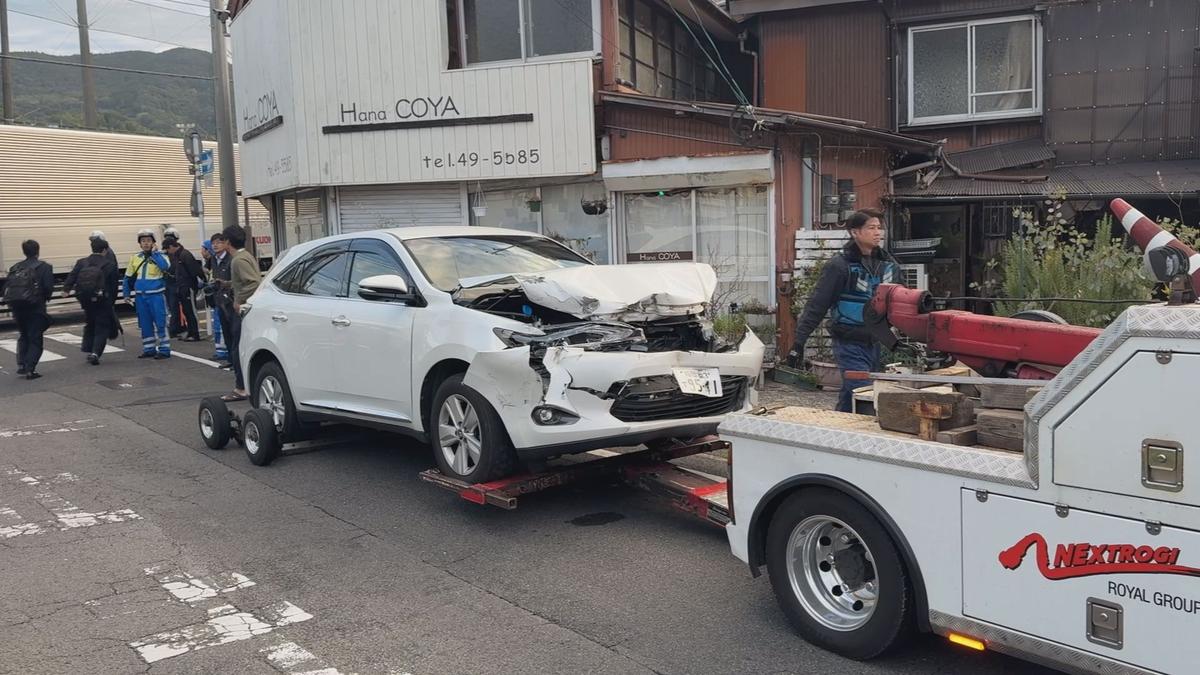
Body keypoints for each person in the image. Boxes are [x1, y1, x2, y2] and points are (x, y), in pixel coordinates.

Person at [789, 209, 900, 412]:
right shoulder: (839, 266)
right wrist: (799, 342)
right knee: (864, 395)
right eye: (871, 228)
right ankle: (863, 441)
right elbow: (817, 305)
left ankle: (836, 430)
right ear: (855, 232)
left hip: (874, 343)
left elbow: (899, 304)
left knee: (852, 398)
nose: (878, 233)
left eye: (879, 228)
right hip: (848, 342)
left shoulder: (889, 266)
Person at [219, 225, 261, 401]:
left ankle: (241, 388)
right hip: (245, 309)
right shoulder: (244, 256)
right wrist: (228, 284)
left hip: (243, 310)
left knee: (237, 350)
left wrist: (238, 300)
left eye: (222, 240)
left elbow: (253, 283)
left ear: (228, 242)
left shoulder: (238, 260)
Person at [4, 240, 55, 380]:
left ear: (24, 251)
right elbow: (48, 288)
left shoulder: (15, 267)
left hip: (17, 308)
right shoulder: (45, 267)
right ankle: (30, 369)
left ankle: (21, 364)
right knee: (35, 337)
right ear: (38, 251)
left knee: (24, 335)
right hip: (35, 307)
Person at [64, 237, 119, 365]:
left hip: (85, 299)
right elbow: (113, 285)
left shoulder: (82, 262)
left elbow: (72, 276)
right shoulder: (109, 265)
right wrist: (111, 301)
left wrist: (66, 289)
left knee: (90, 322)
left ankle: (88, 348)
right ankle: (95, 352)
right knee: (102, 325)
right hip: (102, 299)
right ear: (105, 250)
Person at [123, 229, 173, 359]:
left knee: (160, 321)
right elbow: (128, 277)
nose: (146, 243)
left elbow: (165, 267)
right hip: (140, 296)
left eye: (149, 241)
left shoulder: (161, 256)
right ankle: (149, 348)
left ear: (153, 243)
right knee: (144, 323)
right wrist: (126, 293)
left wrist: (155, 254)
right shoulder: (135, 257)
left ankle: (164, 349)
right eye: (143, 241)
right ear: (139, 243)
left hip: (156, 295)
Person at [163, 236, 204, 341]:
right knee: (186, 311)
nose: (168, 251)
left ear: (172, 246)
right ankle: (190, 332)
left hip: (188, 287)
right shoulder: (178, 255)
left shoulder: (185, 255)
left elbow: (195, 270)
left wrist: (197, 284)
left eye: (167, 249)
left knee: (191, 311)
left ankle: (195, 334)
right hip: (182, 288)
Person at [199, 239, 229, 361]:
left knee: (221, 325)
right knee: (218, 325)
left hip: (222, 298)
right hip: (215, 297)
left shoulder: (219, 261)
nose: (202, 252)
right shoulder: (212, 262)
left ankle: (223, 351)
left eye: (204, 249)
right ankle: (220, 350)